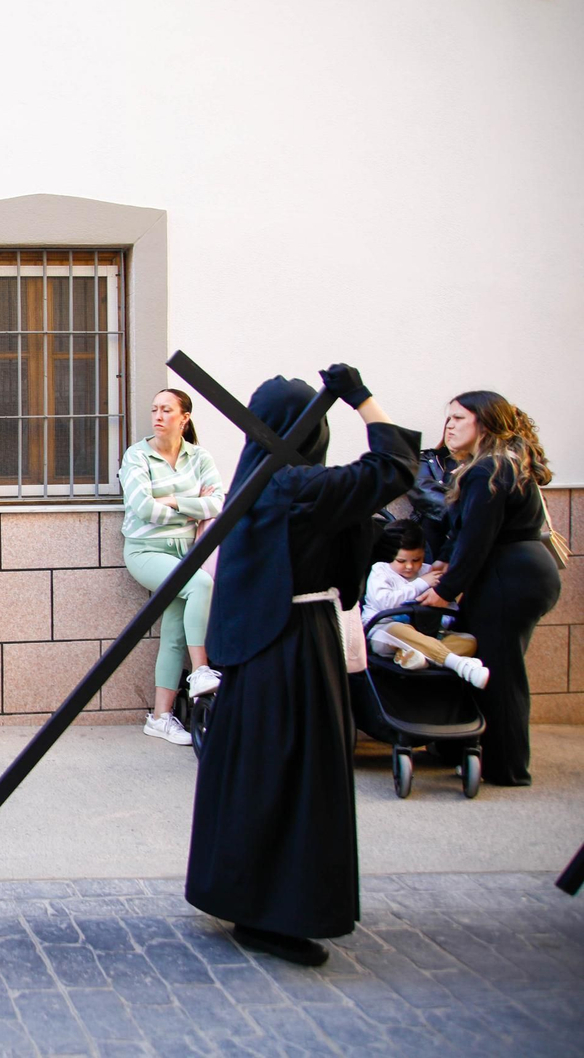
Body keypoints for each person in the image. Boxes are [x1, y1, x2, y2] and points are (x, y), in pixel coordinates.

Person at [187, 365, 418, 967]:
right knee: (294, 778)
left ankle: (245, 894)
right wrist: (363, 400)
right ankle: (274, 913)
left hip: (267, 645)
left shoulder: (261, 481)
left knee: (260, 773)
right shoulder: (295, 486)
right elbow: (393, 468)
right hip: (293, 647)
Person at [416, 391, 561, 787]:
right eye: (447, 418)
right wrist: (446, 559)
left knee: (498, 674)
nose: (449, 426)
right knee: (499, 668)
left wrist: (445, 590)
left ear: (484, 423)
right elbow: (469, 528)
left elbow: (479, 539)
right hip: (524, 574)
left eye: (459, 418)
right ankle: (475, 751)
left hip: (508, 577)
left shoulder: (487, 469)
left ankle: (505, 768)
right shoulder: (500, 464)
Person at [118, 388, 224, 745]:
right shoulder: (137, 456)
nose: (158, 416)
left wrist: (174, 499)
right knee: (201, 586)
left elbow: (219, 502)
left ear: (184, 418)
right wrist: (194, 506)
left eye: (167, 410)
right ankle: (201, 671)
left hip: (187, 552)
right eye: (154, 409)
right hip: (146, 551)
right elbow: (142, 508)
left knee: (176, 633)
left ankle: (161, 717)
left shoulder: (199, 457)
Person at [360, 518, 487, 686]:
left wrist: (435, 616)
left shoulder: (429, 572)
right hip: (385, 630)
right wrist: (421, 584)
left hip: (428, 633)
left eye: (416, 560)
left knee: (469, 641)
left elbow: (450, 610)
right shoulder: (380, 569)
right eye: (401, 561)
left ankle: (420, 660)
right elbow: (385, 603)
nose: (409, 567)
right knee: (397, 630)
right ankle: (459, 664)